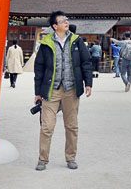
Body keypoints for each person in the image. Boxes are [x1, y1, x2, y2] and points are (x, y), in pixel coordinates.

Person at [33, 11, 93, 171]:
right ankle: (42, 159)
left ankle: (71, 157)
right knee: (47, 127)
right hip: (51, 90)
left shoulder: (76, 41)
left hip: (71, 90)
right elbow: (39, 68)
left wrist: (88, 83)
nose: (66, 22)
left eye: (67, 20)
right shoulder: (46, 43)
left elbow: (86, 62)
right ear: (55, 26)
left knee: (72, 126)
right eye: (62, 21)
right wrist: (37, 92)